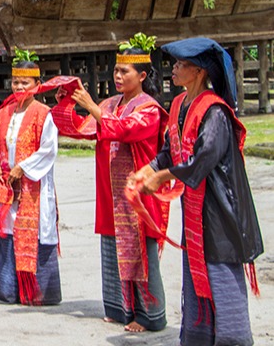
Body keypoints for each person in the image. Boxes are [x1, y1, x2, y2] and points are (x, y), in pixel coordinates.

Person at [133, 37, 263, 346]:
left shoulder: (214, 112)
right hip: (196, 207)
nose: (174, 69)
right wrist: (150, 167)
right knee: (195, 273)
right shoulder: (179, 104)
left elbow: (202, 160)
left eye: (181, 64)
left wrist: (163, 176)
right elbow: (171, 149)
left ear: (200, 72)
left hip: (221, 209)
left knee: (219, 271)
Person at [52, 33, 169, 332]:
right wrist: (67, 103)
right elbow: (80, 129)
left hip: (136, 194)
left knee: (141, 255)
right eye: (116, 70)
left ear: (142, 76)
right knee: (112, 250)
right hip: (110, 193)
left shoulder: (149, 109)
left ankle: (149, 315)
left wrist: (92, 106)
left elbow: (124, 130)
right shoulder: (111, 103)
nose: (117, 76)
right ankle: (120, 309)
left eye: (124, 71)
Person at [0, 50, 61, 305]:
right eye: (16, 82)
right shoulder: (3, 113)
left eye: (25, 82)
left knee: (33, 233)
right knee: (8, 233)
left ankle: (37, 293)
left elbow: (49, 149)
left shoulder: (44, 113)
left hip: (32, 189)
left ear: (37, 84)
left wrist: (23, 168)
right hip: (7, 188)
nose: (19, 87)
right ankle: (10, 291)